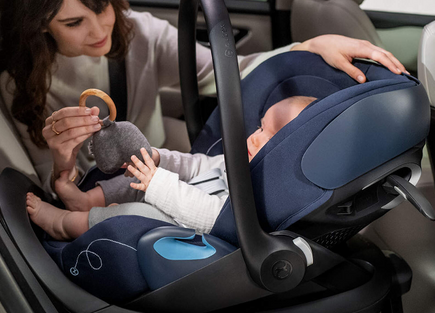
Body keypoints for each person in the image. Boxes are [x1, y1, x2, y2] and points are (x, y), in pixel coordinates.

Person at [0, 0, 408, 197]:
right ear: (41, 25)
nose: (100, 27)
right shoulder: (22, 85)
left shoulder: (137, 33)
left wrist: (309, 46)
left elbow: (228, 71)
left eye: (104, 6)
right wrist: (62, 161)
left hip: (159, 169)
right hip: (91, 198)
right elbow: (50, 188)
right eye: (73, 22)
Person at [26, 96, 316, 240]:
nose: (254, 136)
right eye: (260, 125)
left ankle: (63, 224)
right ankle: (84, 201)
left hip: (187, 233)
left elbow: (213, 217)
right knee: (135, 180)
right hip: (175, 199)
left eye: (270, 135)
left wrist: (158, 184)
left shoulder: (262, 197)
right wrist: (158, 159)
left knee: (136, 211)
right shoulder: (243, 161)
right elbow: (198, 164)